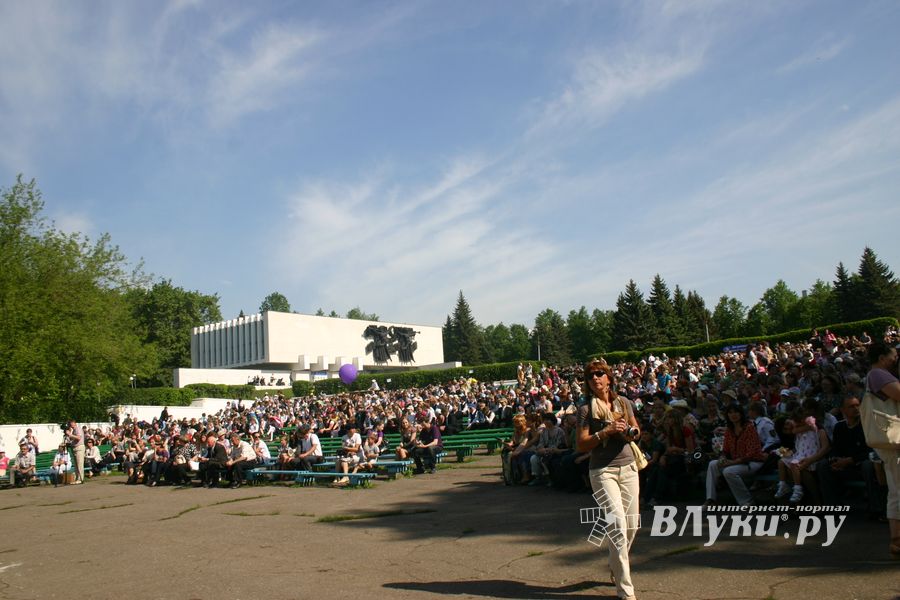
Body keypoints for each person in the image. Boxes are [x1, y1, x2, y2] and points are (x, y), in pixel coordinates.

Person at [576, 359, 640, 600]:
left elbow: (637, 431)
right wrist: (605, 432)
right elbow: (581, 444)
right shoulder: (585, 410)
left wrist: (629, 432)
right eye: (591, 375)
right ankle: (626, 591)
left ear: (609, 378)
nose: (595, 378)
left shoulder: (624, 402)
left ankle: (615, 563)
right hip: (602, 471)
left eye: (600, 374)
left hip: (628, 468)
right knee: (617, 526)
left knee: (631, 525)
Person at [817, 395, 885, 518]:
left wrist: (851, 460)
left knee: (868, 465)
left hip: (862, 465)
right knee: (823, 465)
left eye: (857, 405)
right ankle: (833, 507)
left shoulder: (867, 425)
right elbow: (835, 448)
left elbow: (873, 450)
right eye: (851, 406)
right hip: (845, 466)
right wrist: (835, 460)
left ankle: (876, 508)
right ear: (843, 410)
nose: (856, 408)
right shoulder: (840, 427)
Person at [865, 341, 900, 558]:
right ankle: (896, 539)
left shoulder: (876, 374)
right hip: (892, 439)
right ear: (881, 357)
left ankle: (897, 540)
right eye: (893, 355)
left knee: (896, 488)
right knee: (898, 488)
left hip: (891, 440)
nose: (895, 358)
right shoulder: (878, 374)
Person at [703, 404, 766, 508]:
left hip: (753, 462)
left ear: (741, 413)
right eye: (730, 412)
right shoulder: (729, 429)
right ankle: (710, 499)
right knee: (713, 464)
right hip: (736, 461)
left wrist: (732, 462)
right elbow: (726, 449)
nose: (733, 415)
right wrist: (723, 457)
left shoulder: (749, 427)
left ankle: (747, 501)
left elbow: (751, 454)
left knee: (729, 471)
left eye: (736, 412)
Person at [66, 419, 86, 484]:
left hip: (79, 448)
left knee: (80, 464)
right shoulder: (74, 430)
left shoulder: (78, 429)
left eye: (71, 423)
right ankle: (77, 478)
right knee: (76, 464)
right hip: (75, 448)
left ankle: (81, 479)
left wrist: (70, 434)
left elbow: (79, 438)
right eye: (70, 423)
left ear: (74, 423)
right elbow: (74, 439)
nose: (70, 424)